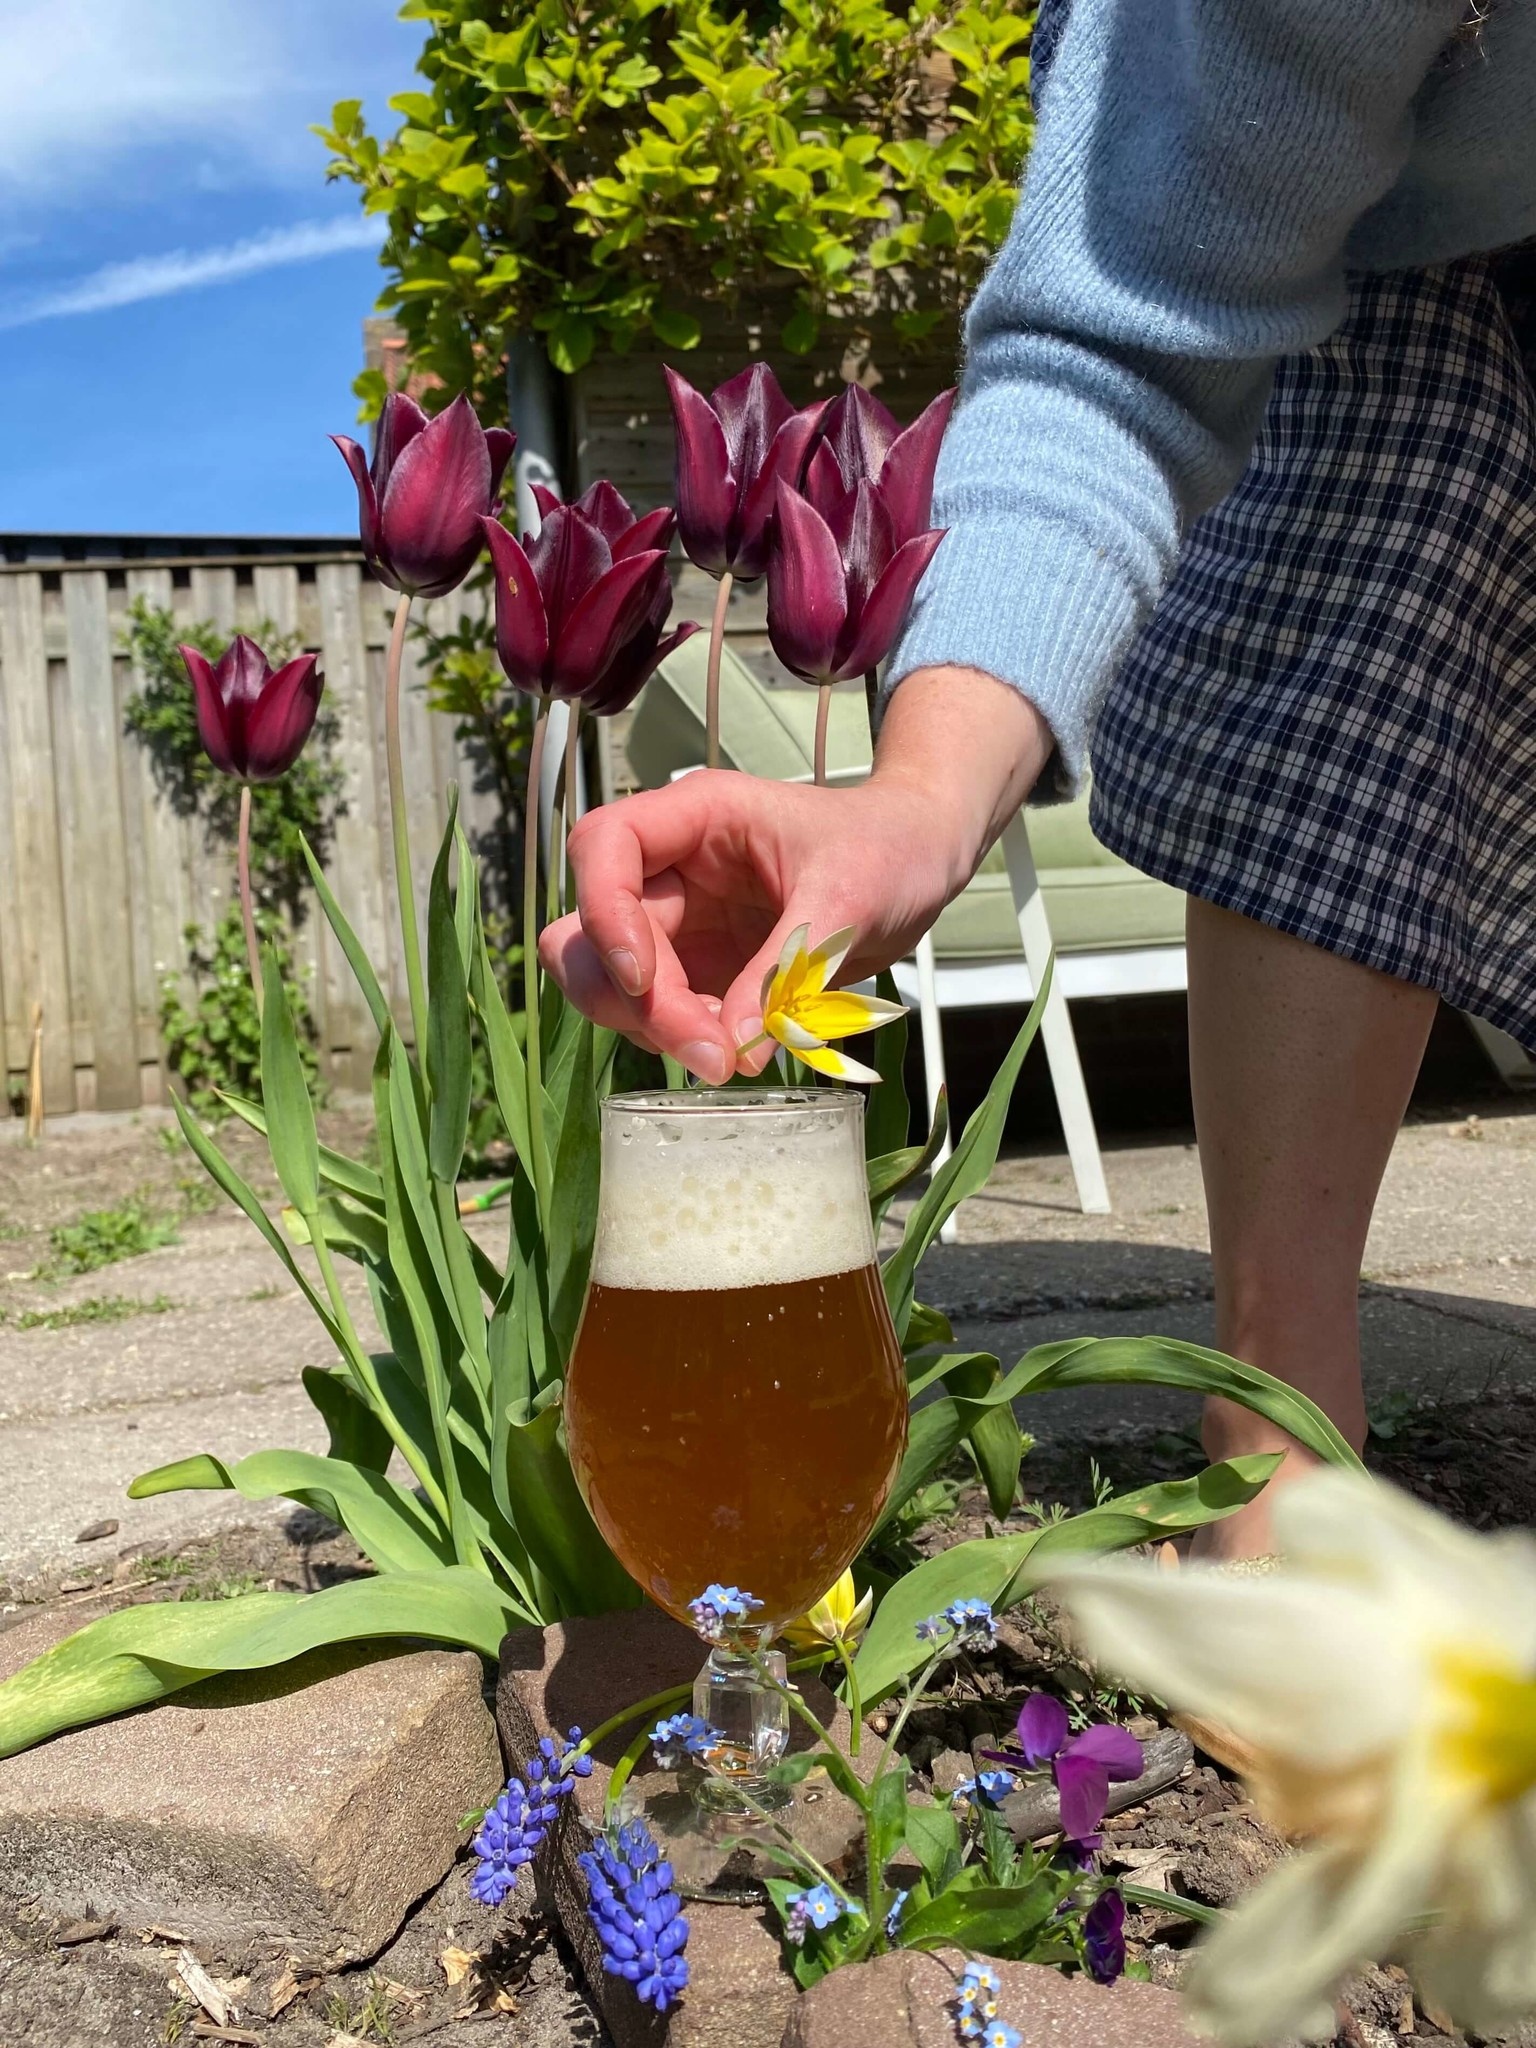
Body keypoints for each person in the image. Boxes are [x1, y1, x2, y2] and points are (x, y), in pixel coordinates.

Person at [543, 0, 1536, 1556]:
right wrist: (920, 800)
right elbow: (1129, 336)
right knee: (1366, 530)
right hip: (1415, 222)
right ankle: (1277, 1439)